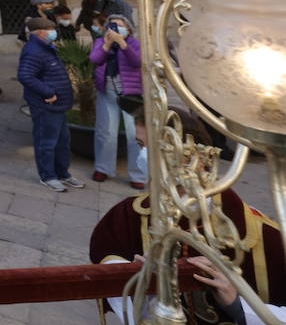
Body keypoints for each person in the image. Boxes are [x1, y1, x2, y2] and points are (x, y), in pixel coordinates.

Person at [90, 100, 286, 314]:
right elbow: (106, 268)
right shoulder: (126, 217)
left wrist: (238, 306)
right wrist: (138, 280)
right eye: (140, 145)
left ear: (195, 157)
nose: (144, 156)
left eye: (157, 147)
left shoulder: (264, 235)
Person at [16, 15, 83, 192]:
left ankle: (63, 173)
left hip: (58, 105)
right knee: (46, 142)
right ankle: (48, 176)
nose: (54, 32)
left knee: (63, 141)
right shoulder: (33, 51)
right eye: (51, 29)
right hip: (46, 105)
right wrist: (49, 92)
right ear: (40, 33)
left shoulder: (46, 47)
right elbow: (25, 76)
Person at [89, 13, 147, 188]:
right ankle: (103, 168)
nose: (115, 29)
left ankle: (138, 175)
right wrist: (107, 44)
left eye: (119, 25)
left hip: (132, 94)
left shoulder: (135, 44)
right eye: (112, 25)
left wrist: (122, 43)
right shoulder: (101, 42)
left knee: (135, 135)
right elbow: (95, 59)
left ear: (128, 29)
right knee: (105, 132)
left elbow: (137, 62)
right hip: (107, 92)